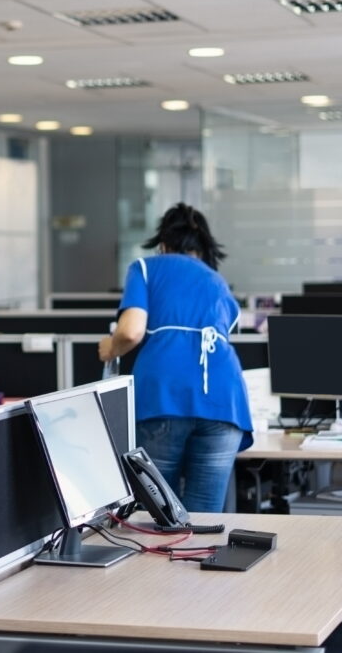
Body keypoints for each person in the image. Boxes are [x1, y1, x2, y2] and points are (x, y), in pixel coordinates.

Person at [98, 203, 252, 512]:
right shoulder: (217, 282)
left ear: (163, 243)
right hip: (225, 402)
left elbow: (131, 332)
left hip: (165, 396)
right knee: (203, 518)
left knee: (156, 514)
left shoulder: (145, 268)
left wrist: (110, 349)